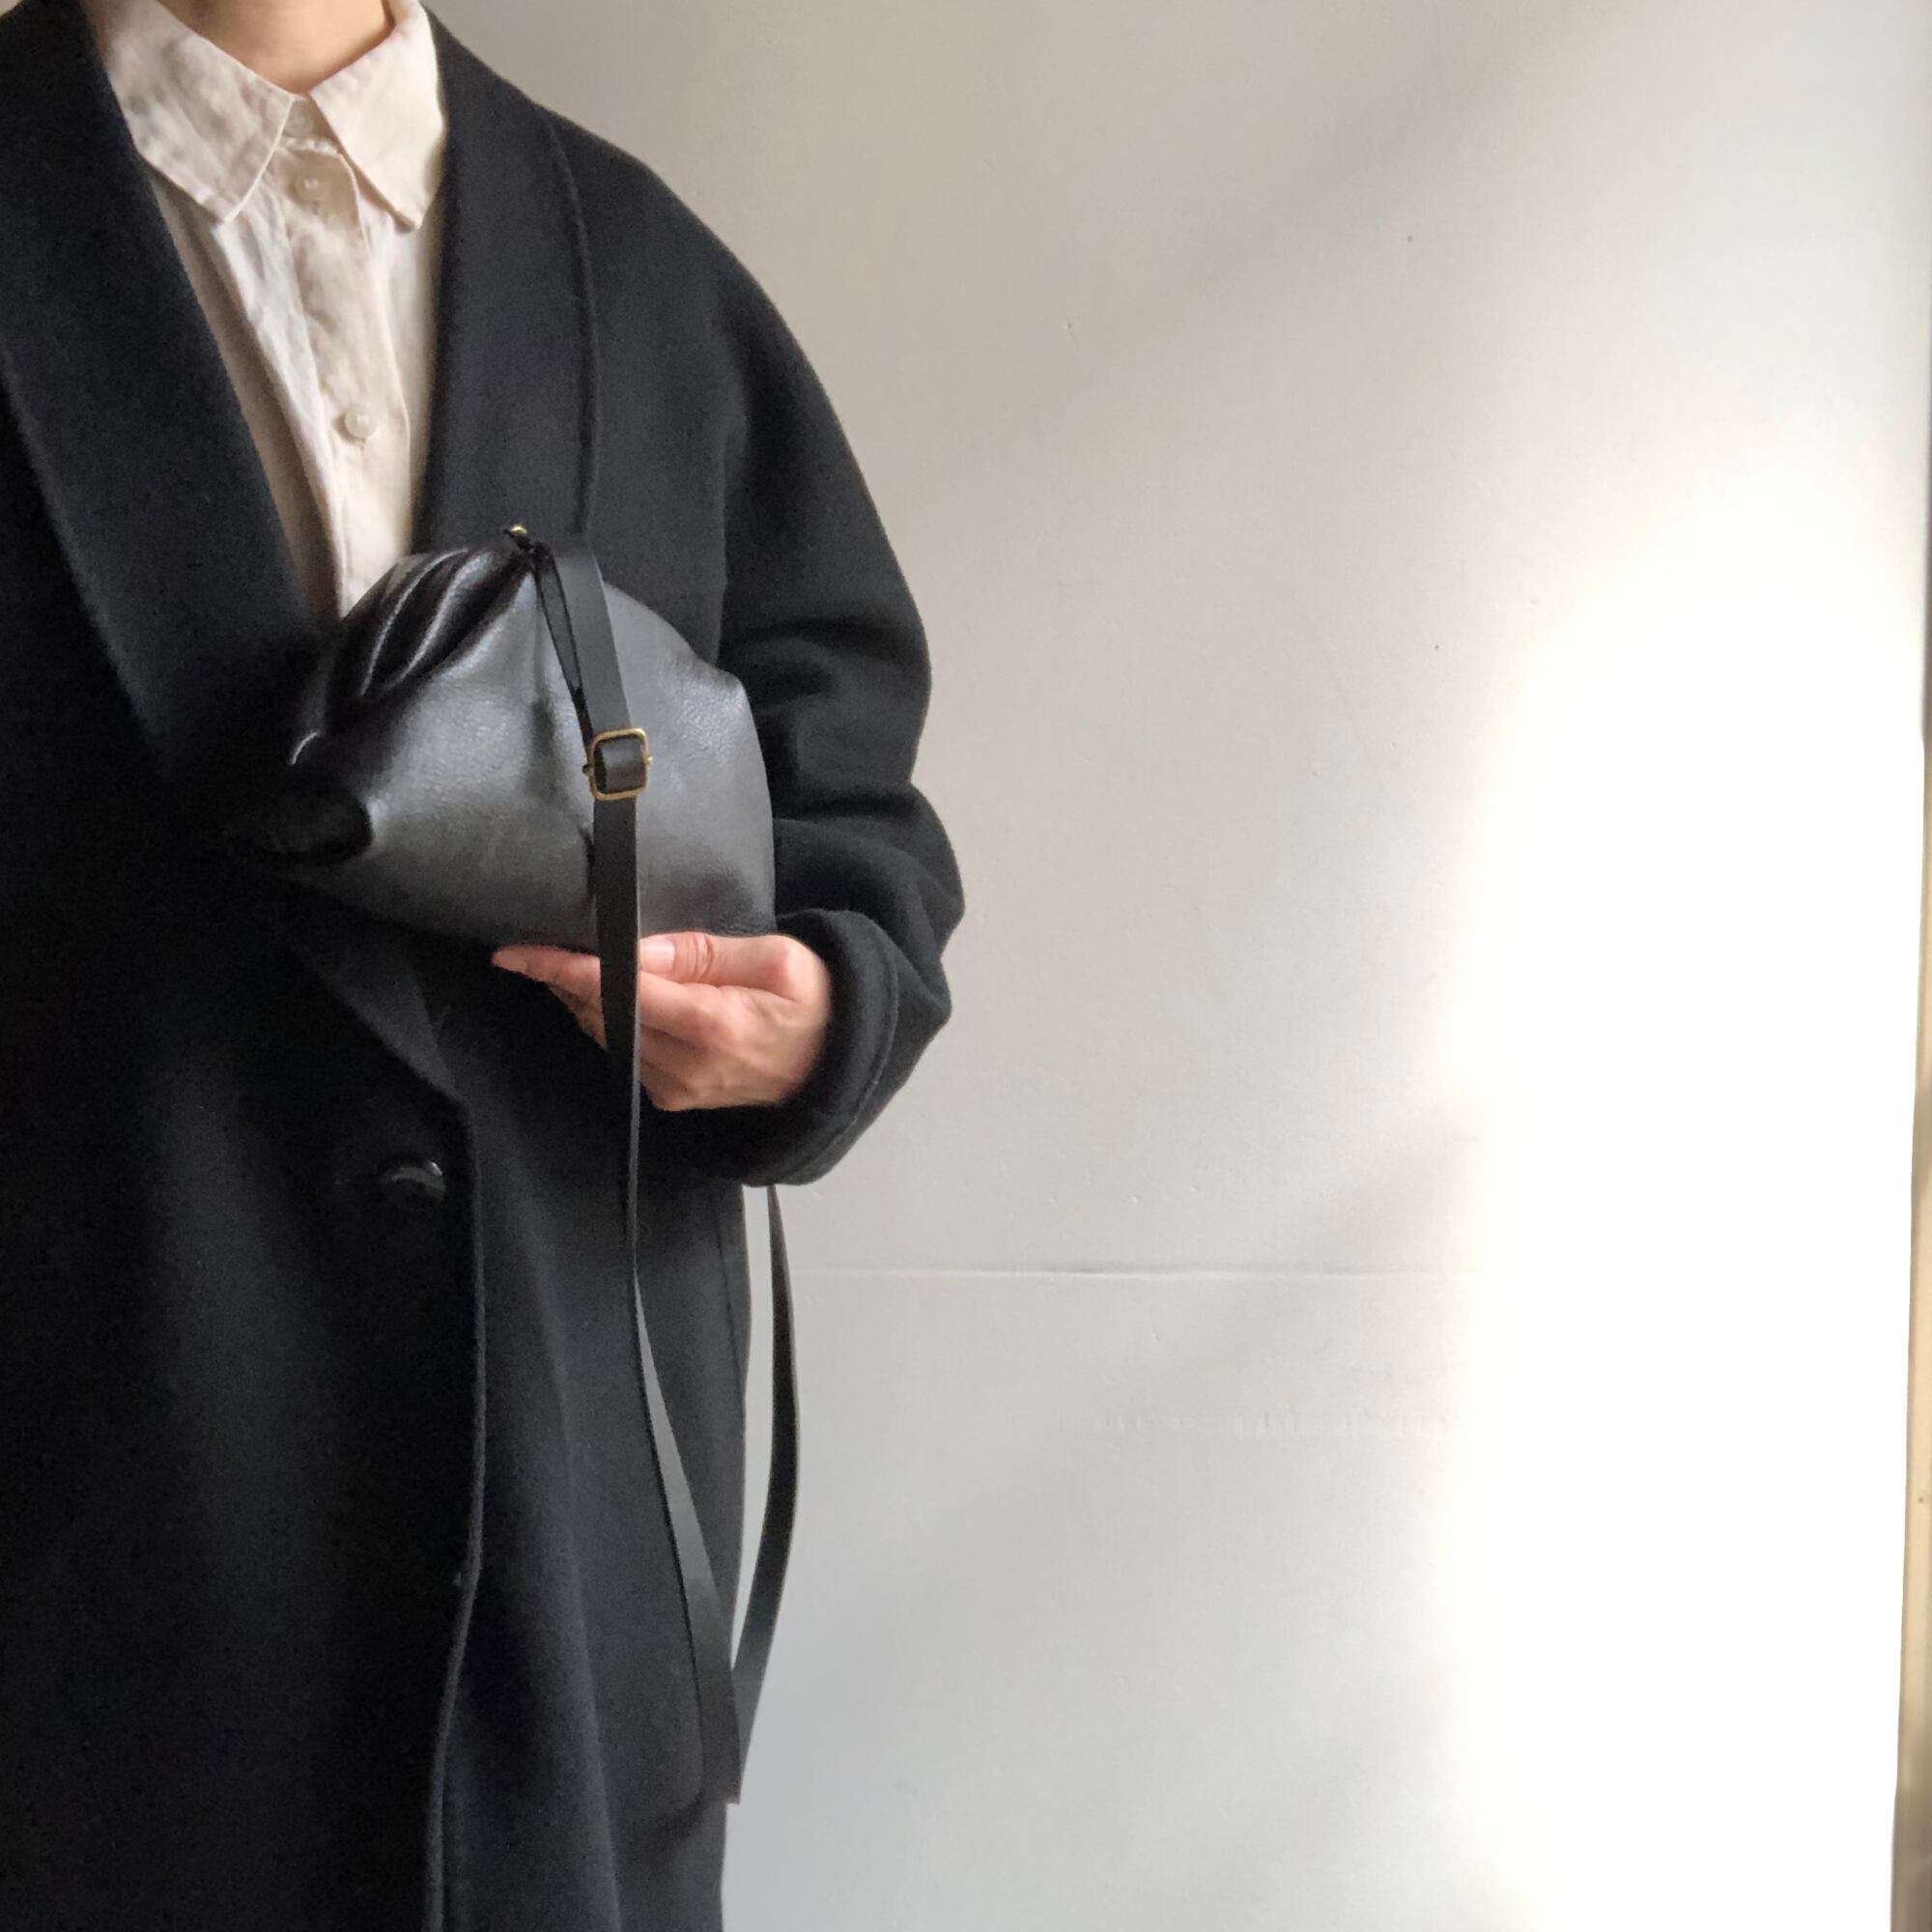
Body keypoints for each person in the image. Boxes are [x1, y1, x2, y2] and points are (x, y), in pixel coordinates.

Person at [0, 0, 965, 1925]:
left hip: (565, 1528)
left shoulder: (635, 269)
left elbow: (836, 771)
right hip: (95, 1522)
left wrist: (821, 1006)